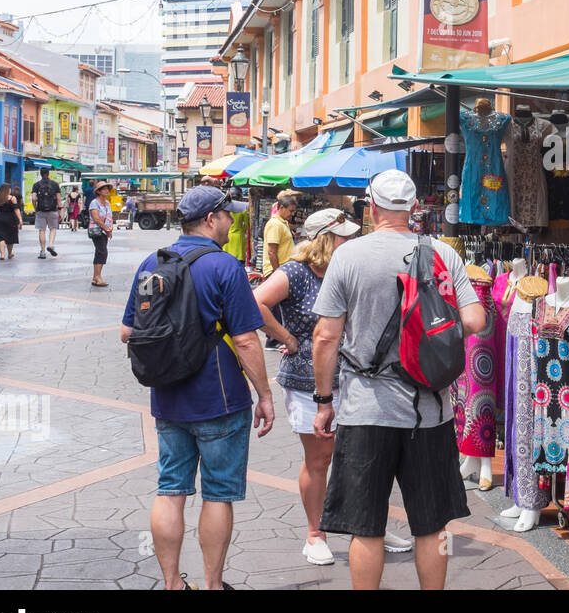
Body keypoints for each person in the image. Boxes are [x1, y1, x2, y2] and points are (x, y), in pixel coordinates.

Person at [312, 170, 487, 590]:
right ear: (413, 209)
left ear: (370, 207)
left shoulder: (349, 256)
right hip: (429, 410)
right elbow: (476, 320)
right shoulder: (443, 254)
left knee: (365, 526)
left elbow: (325, 337)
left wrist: (323, 399)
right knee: (432, 526)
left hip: (365, 409)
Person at [119, 185, 274, 590]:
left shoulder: (152, 262)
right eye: (228, 215)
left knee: (170, 490)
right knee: (218, 495)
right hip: (220, 400)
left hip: (168, 399)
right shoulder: (225, 266)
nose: (233, 221)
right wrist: (266, 395)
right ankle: (212, 584)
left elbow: (127, 331)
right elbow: (245, 340)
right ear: (211, 219)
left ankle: (172, 583)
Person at [253, 207, 414, 565]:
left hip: (358, 376)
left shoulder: (351, 268)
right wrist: (287, 337)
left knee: (368, 455)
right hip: (309, 379)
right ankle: (315, 534)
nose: (353, 239)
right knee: (320, 458)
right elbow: (256, 303)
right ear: (327, 238)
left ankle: (370, 525)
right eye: (345, 234)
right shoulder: (295, 272)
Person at [262, 190, 298, 277]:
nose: (292, 214)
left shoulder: (283, 222)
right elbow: (272, 252)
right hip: (276, 271)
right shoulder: (275, 224)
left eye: (294, 211)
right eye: (291, 211)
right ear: (281, 208)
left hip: (283, 270)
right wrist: (277, 274)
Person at [30, 168, 61, 259]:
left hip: (41, 210)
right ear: (48, 174)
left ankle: (43, 252)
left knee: (42, 230)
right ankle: (51, 244)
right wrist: (60, 210)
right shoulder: (55, 184)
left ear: (40, 174)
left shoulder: (36, 185)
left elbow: (33, 198)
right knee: (53, 228)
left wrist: (35, 208)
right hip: (53, 210)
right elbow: (59, 199)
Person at [88, 182, 114, 287]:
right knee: (102, 252)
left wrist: (110, 228)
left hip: (105, 230)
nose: (106, 190)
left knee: (100, 252)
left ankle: (96, 277)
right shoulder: (94, 203)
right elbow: (96, 219)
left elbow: (110, 217)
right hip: (97, 230)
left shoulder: (107, 203)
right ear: (98, 191)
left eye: (107, 188)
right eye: (103, 189)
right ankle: (97, 277)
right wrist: (106, 228)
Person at [0, 183, 21, 261]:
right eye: (10, 188)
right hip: (10, 219)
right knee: (10, 238)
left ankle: (2, 255)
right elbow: (16, 209)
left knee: (0, 238)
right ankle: (9, 254)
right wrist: (20, 219)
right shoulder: (12, 198)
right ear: (8, 189)